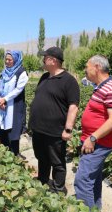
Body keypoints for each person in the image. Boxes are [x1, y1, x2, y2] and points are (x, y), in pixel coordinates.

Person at [74, 55, 112, 210]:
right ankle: (95, 208)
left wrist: (93, 137)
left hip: (99, 143)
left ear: (96, 67)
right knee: (93, 180)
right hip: (93, 141)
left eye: (87, 66)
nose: (85, 69)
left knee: (82, 181)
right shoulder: (101, 86)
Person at [29, 46, 80, 194]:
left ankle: (58, 189)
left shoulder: (69, 81)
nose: (43, 60)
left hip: (55, 131)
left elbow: (73, 106)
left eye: (44, 58)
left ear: (53, 60)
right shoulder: (44, 77)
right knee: (42, 158)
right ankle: (43, 182)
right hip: (39, 128)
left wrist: (68, 129)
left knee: (57, 161)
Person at [0, 50, 29, 157]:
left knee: (13, 128)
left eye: (10, 60)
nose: (7, 61)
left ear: (16, 60)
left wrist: (5, 99)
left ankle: (15, 152)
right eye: (6, 59)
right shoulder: (3, 72)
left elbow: (18, 89)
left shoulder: (21, 72)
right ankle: (4, 151)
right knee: (3, 127)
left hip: (14, 105)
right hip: (2, 104)